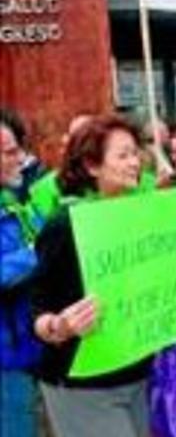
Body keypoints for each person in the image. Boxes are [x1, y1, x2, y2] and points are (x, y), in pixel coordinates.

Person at [30, 116, 153, 437]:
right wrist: (60, 326)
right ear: (92, 166)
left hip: (137, 375)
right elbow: (37, 305)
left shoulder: (143, 216)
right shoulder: (64, 226)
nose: (134, 162)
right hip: (83, 386)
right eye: (122, 155)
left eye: (135, 153)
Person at [1, 112, 43, 437]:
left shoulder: (12, 200)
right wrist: (35, 255)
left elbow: (41, 236)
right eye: (9, 152)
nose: (20, 159)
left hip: (24, 348)